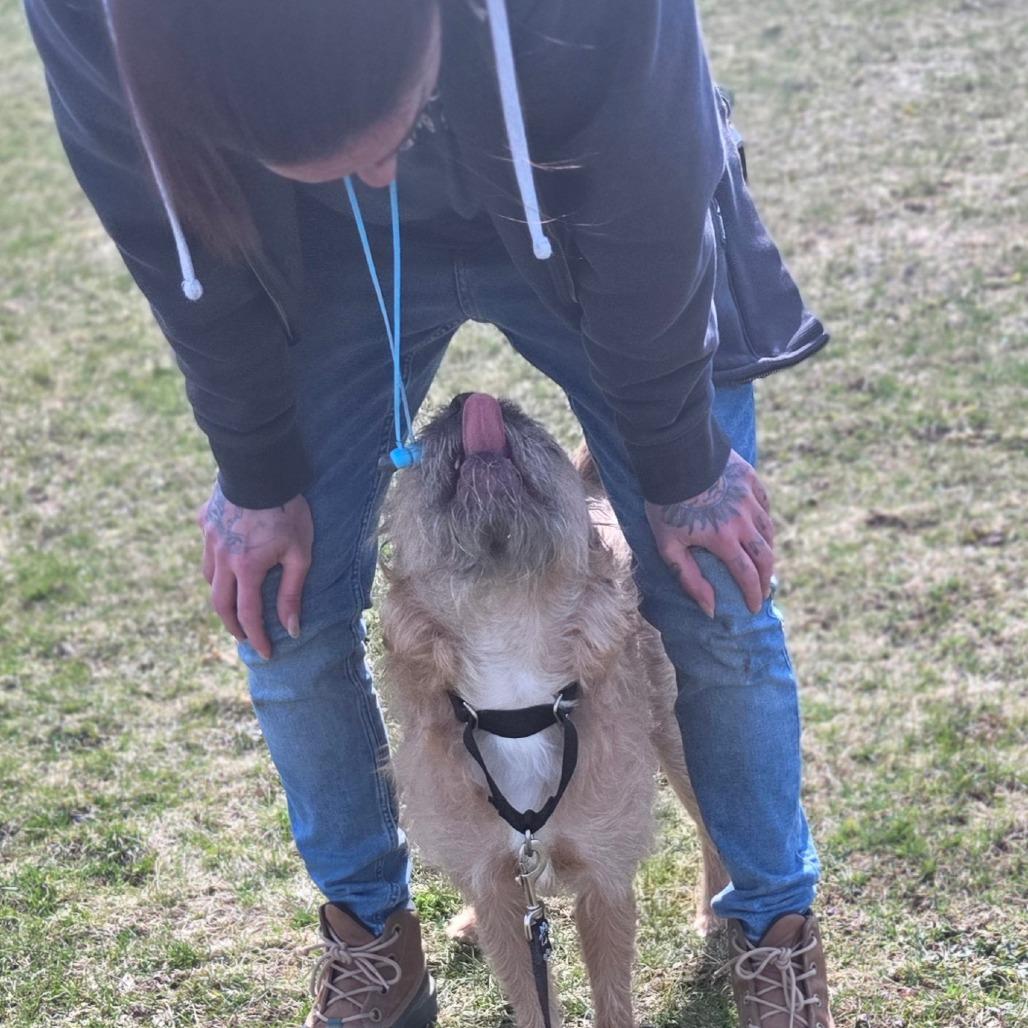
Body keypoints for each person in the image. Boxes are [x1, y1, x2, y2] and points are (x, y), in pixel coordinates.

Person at [26, 1, 837, 1025]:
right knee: (283, 604)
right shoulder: (97, 20)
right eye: (325, 156)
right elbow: (169, 227)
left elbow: (653, 177)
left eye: (392, 134)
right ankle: (373, 943)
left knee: (714, 576)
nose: (382, 176)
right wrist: (257, 473)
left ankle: (768, 928)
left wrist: (681, 467)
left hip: (592, 208)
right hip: (328, 262)